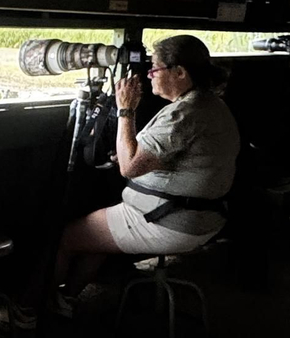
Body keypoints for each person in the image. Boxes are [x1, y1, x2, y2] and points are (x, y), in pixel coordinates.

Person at [36, 35, 240, 317]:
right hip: (205, 217)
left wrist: (126, 109)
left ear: (179, 72)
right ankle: (66, 300)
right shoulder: (212, 104)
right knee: (98, 235)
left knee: (67, 237)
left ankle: (37, 310)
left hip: (169, 221)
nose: (149, 75)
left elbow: (129, 167)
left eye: (155, 68)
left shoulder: (183, 114)